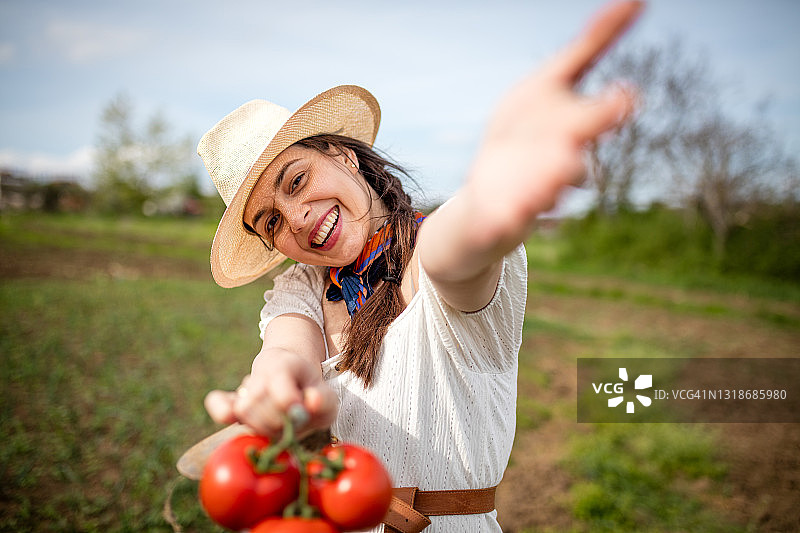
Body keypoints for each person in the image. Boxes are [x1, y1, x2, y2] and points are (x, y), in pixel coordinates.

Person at [197, 2, 643, 531]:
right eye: (270, 222)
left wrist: (487, 203)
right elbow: (287, 351)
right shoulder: (301, 287)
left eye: (295, 181)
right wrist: (273, 384)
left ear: (343, 155)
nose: (295, 219)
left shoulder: (430, 257)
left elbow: (452, 254)